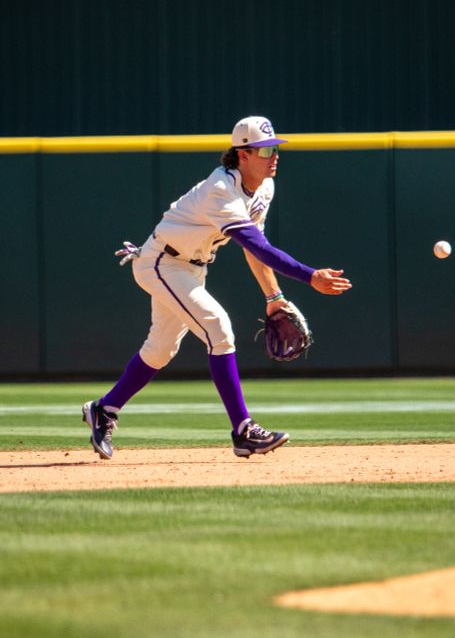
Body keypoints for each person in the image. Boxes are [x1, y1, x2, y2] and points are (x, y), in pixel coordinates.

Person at [81, 116, 352, 459]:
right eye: (266, 150)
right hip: (161, 262)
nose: (274, 156)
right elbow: (259, 248)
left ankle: (104, 409)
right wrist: (310, 275)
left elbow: (256, 249)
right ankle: (243, 430)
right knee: (219, 328)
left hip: (191, 268)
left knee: (160, 350)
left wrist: (275, 297)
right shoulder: (220, 190)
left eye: (275, 148)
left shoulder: (264, 188)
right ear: (243, 155)